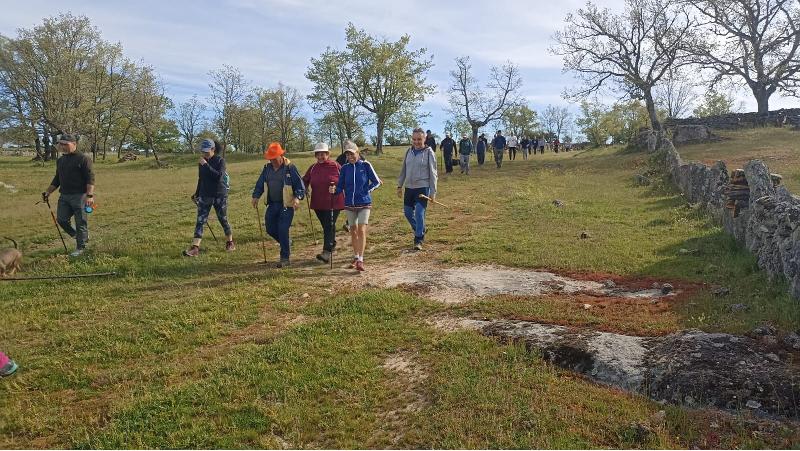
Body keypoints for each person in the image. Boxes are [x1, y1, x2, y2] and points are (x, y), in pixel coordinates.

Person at [252, 142, 306, 268]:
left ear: (281, 155)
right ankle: (286, 242)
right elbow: (260, 183)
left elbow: (299, 185)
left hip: (287, 205)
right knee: (270, 229)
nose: (273, 161)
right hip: (272, 204)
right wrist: (256, 196)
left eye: (274, 158)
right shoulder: (267, 169)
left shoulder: (290, 168)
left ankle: (285, 258)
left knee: (282, 229)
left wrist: (297, 198)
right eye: (270, 159)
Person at [41, 133, 95, 257]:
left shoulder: (83, 158)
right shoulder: (60, 160)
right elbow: (57, 178)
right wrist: (48, 192)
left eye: (65, 144)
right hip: (64, 196)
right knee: (62, 219)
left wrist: (90, 196)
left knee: (80, 222)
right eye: (61, 144)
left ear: (74, 144)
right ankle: (78, 235)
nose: (62, 146)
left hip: (80, 196)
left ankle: (80, 248)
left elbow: (90, 178)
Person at [331, 141, 381, 271]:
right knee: (353, 231)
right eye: (348, 155)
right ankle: (356, 256)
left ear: (358, 153)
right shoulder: (345, 168)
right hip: (349, 204)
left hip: (364, 203)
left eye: (352, 154)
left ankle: (361, 260)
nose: (350, 157)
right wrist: (334, 190)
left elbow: (376, 182)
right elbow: (340, 186)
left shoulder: (365, 165)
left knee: (361, 229)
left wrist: (367, 190)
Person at [183, 139, 234, 257]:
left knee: (223, 219)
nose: (204, 154)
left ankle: (230, 242)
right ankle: (195, 248)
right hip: (205, 195)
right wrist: (197, 193)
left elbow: (218, 177)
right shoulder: (202, 162)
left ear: (213, 149)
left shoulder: (220, 161)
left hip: (219, 195)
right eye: (203, 151)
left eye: (207, 151)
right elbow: (201, 179)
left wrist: (206, 165)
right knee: (200, 221)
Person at [302, 142, 345, 264]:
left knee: (328, 225)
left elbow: (344, 180)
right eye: (318, 154)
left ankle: (326, 252)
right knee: (327, 225)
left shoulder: (336, 166)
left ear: (328, 154)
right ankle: (332, 242)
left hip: (334, 201)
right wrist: (305, 188)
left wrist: (337, 188)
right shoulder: (313, 167)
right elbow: (305, 180)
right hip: (318, 202)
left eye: (323, 154)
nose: (320, 157)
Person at [397, 128, 438, 251]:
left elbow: (433, 173)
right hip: (409, 188)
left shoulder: (429, 152)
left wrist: (433, 192)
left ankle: (418, 239)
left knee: (419, 213)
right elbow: (404, 169)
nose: (416, 142)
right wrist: (399, 185)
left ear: (424, 139)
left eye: (419, 139)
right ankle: (421, 229)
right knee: (408, 213)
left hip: (422, 188)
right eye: (414, 139)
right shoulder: (408, 151)